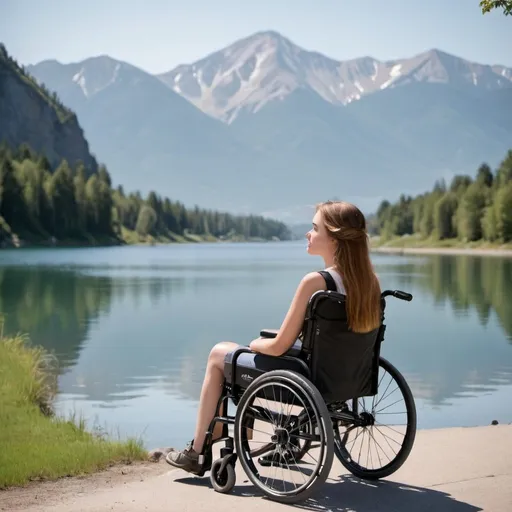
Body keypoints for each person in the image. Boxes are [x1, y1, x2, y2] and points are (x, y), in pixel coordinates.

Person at [165, 200, 382, 473]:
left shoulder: (316, 282)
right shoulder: (370, 282)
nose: (308, 233)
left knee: (220, 354)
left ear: (335, 239)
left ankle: (198, 451)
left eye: (314, 228)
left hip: (309, 380)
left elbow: (280, 346)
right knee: (241, 354)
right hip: (347, 379)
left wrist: (255, 345)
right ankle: (226, 433)